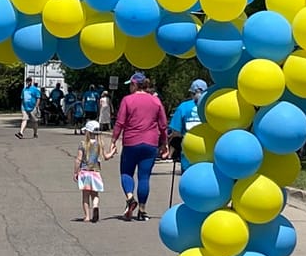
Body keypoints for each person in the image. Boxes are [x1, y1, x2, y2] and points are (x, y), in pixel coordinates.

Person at [110, 71, 170, 221]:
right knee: (144, 177)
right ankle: (142, 211)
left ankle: (130, 198)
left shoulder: (127, 100)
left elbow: (120, 123)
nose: (129, 87)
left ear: (135, 85)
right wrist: (165, 143)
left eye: (130, 85)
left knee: (126, 173)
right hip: (150, 143)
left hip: (131, 142)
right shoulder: (155, 101)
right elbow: (163, 125)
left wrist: (113, 141)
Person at [168, 78, 207, 161]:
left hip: (188, 149)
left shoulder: (183, 107)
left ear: (192, 93)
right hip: (207, 148)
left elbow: (176, 131)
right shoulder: (210, 106)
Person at [74, 119, 105, 223]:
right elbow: (105, 156)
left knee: (85, 196)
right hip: (95, 172)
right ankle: (95, 206)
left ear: (87, 132)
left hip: (84, 172)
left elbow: (78, 159)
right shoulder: (99, 144)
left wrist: (75, 172)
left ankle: (87, 216)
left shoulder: (83, 144)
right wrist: (113, 152)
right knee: (95, 195)